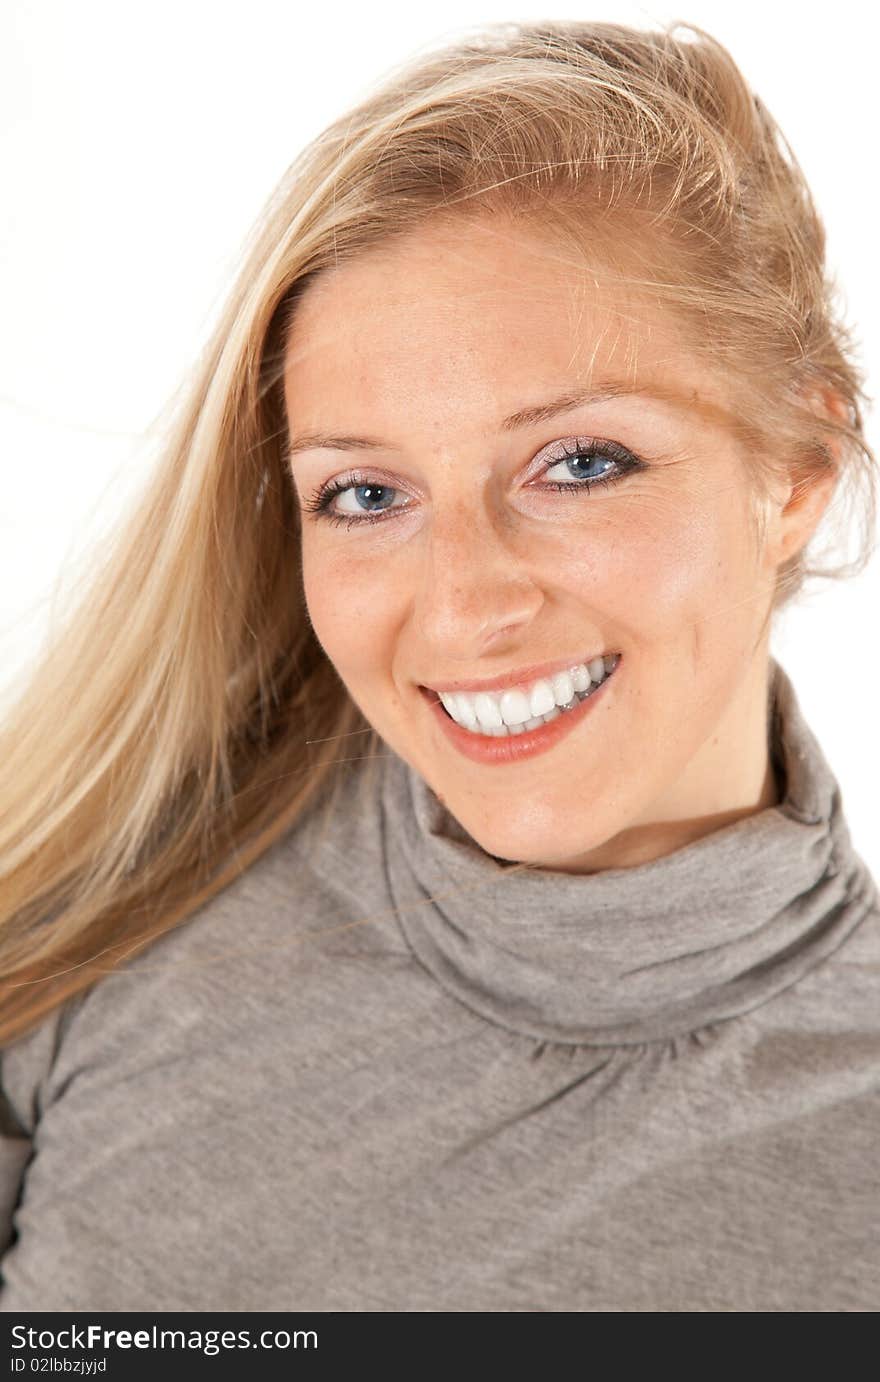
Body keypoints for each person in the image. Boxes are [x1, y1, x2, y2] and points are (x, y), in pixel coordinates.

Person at [0, 18, 877, 1313]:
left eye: (580, 462)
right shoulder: (107, 913)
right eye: (365, 492)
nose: (466, 604)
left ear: (798, 468)